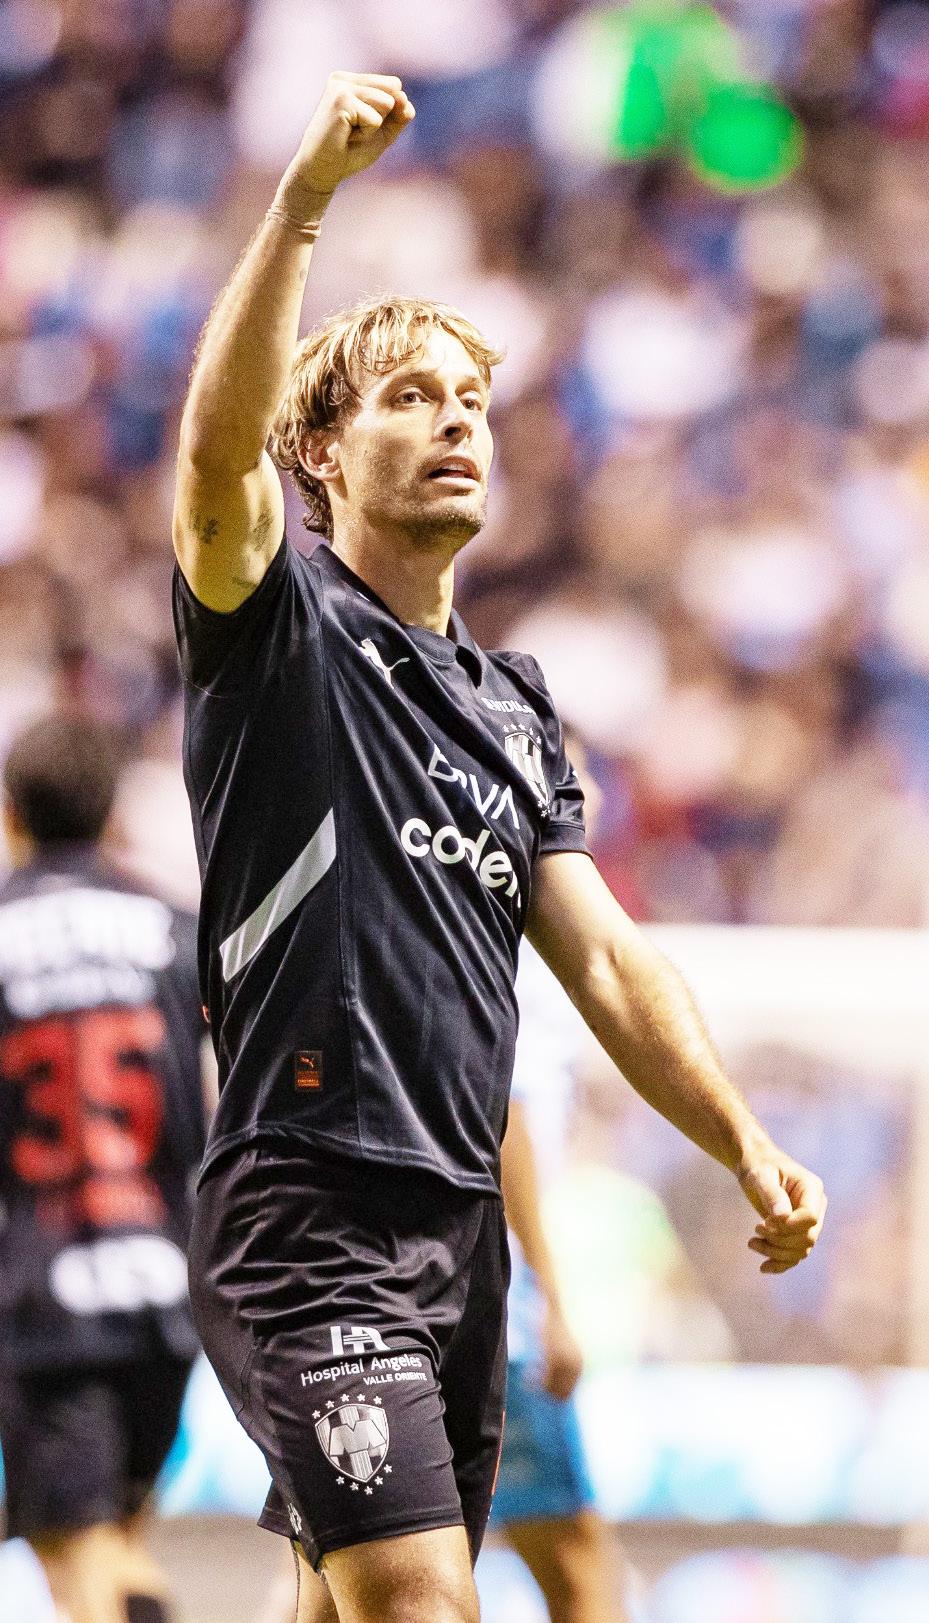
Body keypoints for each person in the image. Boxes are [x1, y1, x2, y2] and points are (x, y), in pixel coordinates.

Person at [171, 70, 827, 1623]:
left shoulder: (515, 708)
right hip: (312, 1200)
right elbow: (211, 460)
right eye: (409, 397)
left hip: (459, 1226)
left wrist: (738, 1136)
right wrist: (304, 203)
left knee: (343, 1605)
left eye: (469, 399)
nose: (456, 418)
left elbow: (604, 957)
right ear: (321, 452)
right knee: (422, 1601)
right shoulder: (280, 626)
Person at [0, 714, 207, 1623]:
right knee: (110, 1542)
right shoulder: (177, 932)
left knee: (79, 1556)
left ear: (11, 813)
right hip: (168, 1288)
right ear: (114, 810)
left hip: (45, 1295)